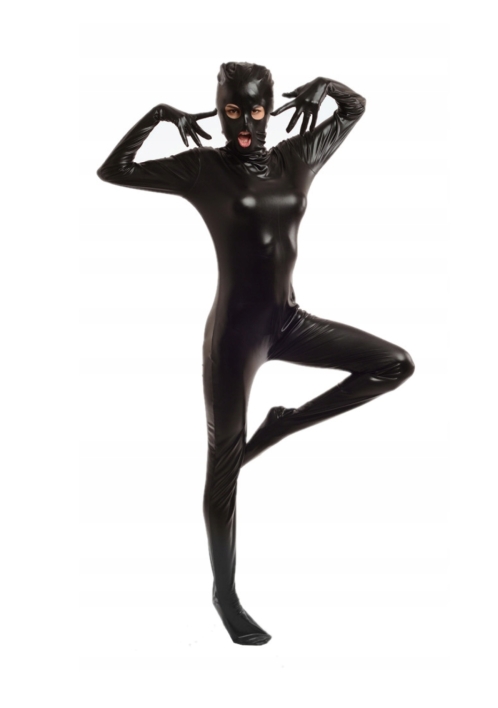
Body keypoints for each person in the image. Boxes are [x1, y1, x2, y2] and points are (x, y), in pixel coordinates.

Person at [97, 62, 415, 646]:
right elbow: (113, 170)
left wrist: (328, 84)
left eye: (256, 111)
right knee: (223, 470)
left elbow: (355, 108)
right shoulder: (201, 168)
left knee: (393, 364)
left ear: (271, 110)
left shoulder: (298, 156)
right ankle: (225, 595)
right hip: (234, 338)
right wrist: (159, 116)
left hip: (288, 321)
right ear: (220, 112)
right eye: (233, 112)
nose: (245, 124)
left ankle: (283, 424)